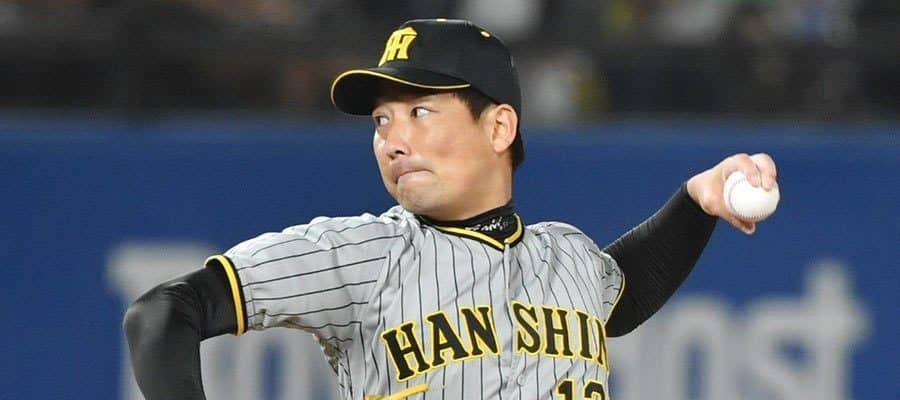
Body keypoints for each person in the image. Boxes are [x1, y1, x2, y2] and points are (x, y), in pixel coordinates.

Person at [124, 18, 778, 400]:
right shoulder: (360, 255)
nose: (392, 138)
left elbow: (623, 293)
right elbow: (163, 312)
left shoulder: (567, 254)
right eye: (381, 119)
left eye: (419, 111)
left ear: (499, 127)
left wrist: (698, 202)